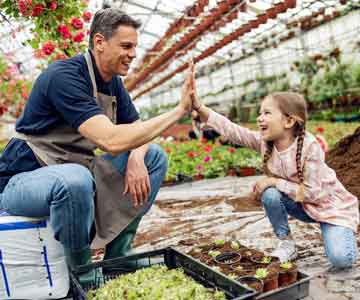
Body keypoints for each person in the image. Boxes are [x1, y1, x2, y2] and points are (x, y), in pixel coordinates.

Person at [0, 8, 194, 280]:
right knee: (74, 179)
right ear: (99, 42)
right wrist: (178, 111)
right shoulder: (64, 76)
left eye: (135, 47)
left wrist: (137, 159)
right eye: (126, 46)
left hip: (78, 174)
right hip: (24, 180)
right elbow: (110, 140)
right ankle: (83, 273)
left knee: (154, 157)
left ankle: (119, 258)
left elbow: (136, 129)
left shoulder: (113, 84)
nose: (133, 54)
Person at [189, 76, 359, 269]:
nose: (259, 117)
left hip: (330, 208)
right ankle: (287, 243)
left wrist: (274, 181)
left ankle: (339, 232)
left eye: (267, 113)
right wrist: (200, 107)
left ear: (288, 121)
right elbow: (232, 130)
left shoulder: (310, 148)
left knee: (341, 259)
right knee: (270, 195)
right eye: (260, 113)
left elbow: (313, 193)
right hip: (303, 206)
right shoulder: (265, 142)